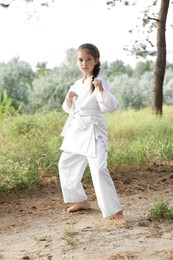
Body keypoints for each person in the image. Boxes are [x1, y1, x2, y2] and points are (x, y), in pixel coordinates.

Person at [58, 43, 125, 225]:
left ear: (96, 61)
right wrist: (69, 99)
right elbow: (68, 109)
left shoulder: (99, 81)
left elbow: (110, 107)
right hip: (77, 129)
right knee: (66, 163)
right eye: (81, 59)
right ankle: (80, 200)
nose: (84, 63)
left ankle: (115, 211)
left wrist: (101, 90)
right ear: (77, 61)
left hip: (93, 129)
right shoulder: (77, 84)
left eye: (88, 59)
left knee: (99, 169)